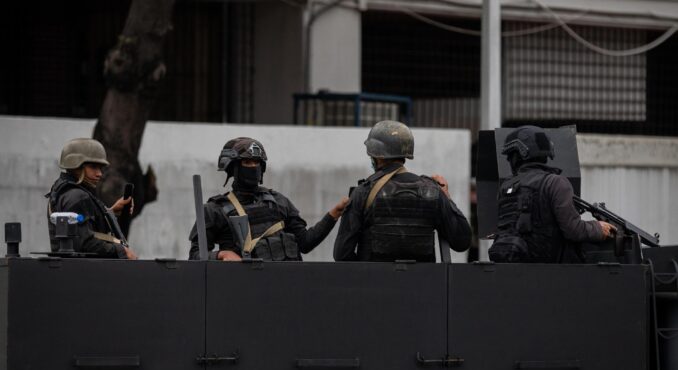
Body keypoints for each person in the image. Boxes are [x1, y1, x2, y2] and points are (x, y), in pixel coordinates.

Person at [188, 137, 349, 261]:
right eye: (247, 162)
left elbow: (305, 243)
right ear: (233, 168)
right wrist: (221, 255)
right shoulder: (214, 210)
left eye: (256, 162)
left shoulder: (279, 202)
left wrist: (334, 214)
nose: (252, 167)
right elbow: (196, 255)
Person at [333, 120, 472, 262]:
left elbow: (342, 255)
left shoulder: (363, 193)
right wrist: (446, 197)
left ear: (378, 156)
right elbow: (462, 241)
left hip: (375, 282)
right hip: (424, 283)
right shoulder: (433, 191)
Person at [488, 125, 616, 263]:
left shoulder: (506, 186)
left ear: (522, 153)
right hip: (549, 273)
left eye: (511, 155)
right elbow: (573, 230)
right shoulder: (555, 183)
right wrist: (598, 228)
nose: (508, 160)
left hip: (509, 267)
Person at [45, 138, 137, 259]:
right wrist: (122, 251)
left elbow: (83, 230)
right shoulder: (77, 196)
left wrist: (111, 213)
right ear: (76, 165)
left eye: (100, 168)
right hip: (83, 272)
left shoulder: (65, 191)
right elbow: (85, 244)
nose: (99, 173)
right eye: (93, 167)